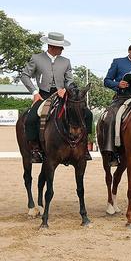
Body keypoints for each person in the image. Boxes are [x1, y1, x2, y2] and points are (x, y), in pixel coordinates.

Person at [20, 31, 92, 162]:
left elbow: (69, 80)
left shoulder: (66, 62)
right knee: (31, 119)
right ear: (51, 46)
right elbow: (24, 75)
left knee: (87, 114)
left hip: (63, 95)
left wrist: (67, 89)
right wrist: (34, 93)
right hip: (43, 95)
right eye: (60, 47)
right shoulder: (36, 58)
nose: (62, 49)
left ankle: (84, 147)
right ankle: (35, 149)